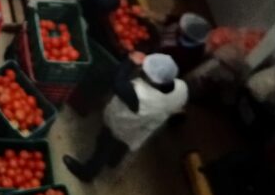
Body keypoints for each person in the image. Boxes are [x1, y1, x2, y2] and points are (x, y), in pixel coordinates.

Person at [63, 52, 188, 182]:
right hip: (145, 125)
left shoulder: (141, 96)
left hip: (122, 125)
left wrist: (129, 61)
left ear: (153, 80)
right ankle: (113, 161)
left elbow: (118, 83)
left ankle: (87, 173)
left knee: (104, 146)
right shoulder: (181, 87)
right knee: (123, 145)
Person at [159, 11, 211, 77]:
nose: (179, 25)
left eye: (182, 27)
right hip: (155, 38)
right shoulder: (185, 22)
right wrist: (147, 13)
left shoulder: (190, 58)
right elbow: (168, 19)